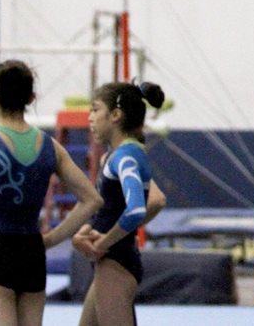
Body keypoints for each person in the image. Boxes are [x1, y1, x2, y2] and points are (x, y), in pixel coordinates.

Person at [0, 60, 104, 326]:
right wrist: (52, 238)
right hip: (31, 252)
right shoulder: (50, 147)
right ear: (31, 97)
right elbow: (92, 200)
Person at [73, 81, 167, 326]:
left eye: (95, 110)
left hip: (115, 261)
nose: (89, 117)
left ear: (115, 115)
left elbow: (136, 209)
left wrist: (103, 242)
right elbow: (109, 210)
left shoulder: (126, 157)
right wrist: (90, 232)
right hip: (112, 259)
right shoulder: (118, 155)